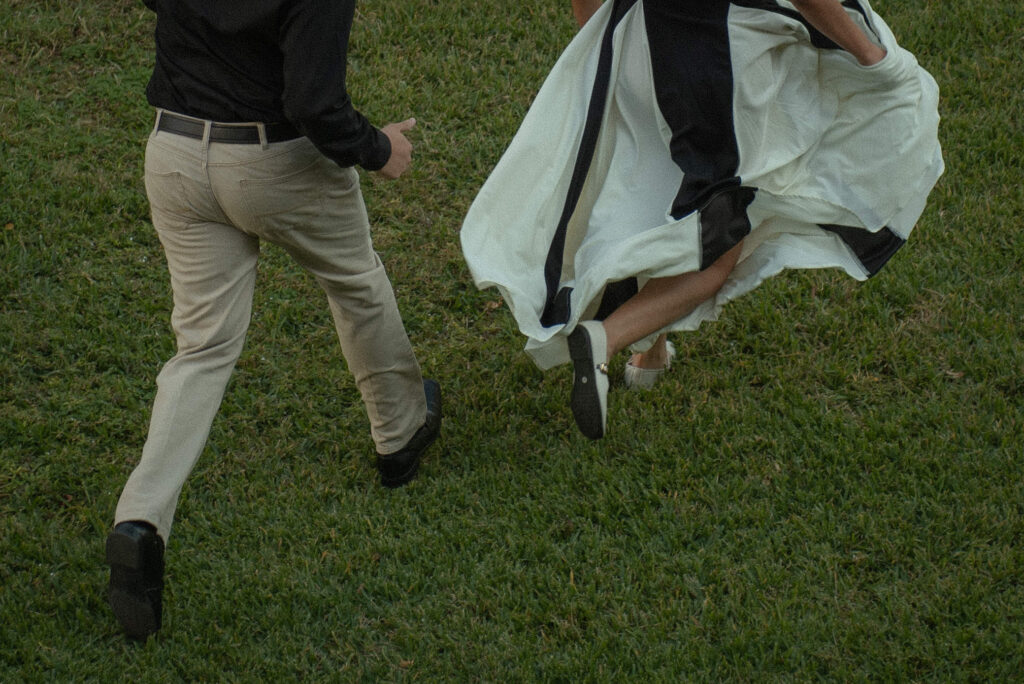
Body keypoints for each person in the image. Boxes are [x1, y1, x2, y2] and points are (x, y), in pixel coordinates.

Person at [105, 0, 442, 641]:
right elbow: (314, 105)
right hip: (274, 165)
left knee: (200, 350)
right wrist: (380, 149)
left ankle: (140, 521)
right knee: (355, 283)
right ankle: (399, 436)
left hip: (174, 155)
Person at [461, 0, 942, 439]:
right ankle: (605, 338)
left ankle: (650, 355)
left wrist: (602, 52)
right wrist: (871, 57)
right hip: (716, 62)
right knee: (716, 242)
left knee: (665, 202)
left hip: (635, 44)